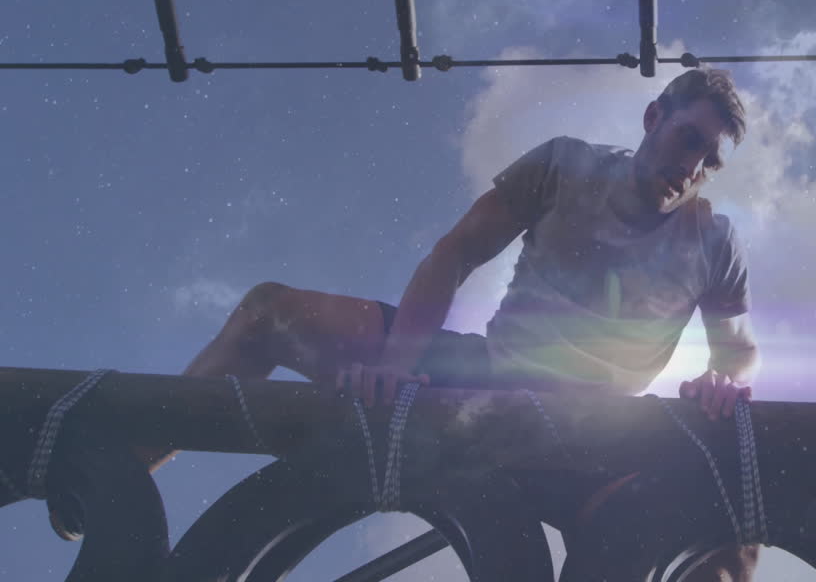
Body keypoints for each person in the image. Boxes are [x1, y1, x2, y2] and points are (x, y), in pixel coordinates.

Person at [164, 67, 761, 580]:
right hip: (483, 375)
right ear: (653, 117)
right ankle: (100, 491)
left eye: (710, 162)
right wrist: (396, 365)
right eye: (687, 141)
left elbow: (735, 353)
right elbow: (453, 256)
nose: (692, 168)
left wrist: (721, 380)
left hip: (594, 432)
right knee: (269, 312)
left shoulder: (714, 240)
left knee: (735, 525)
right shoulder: (565, 163)